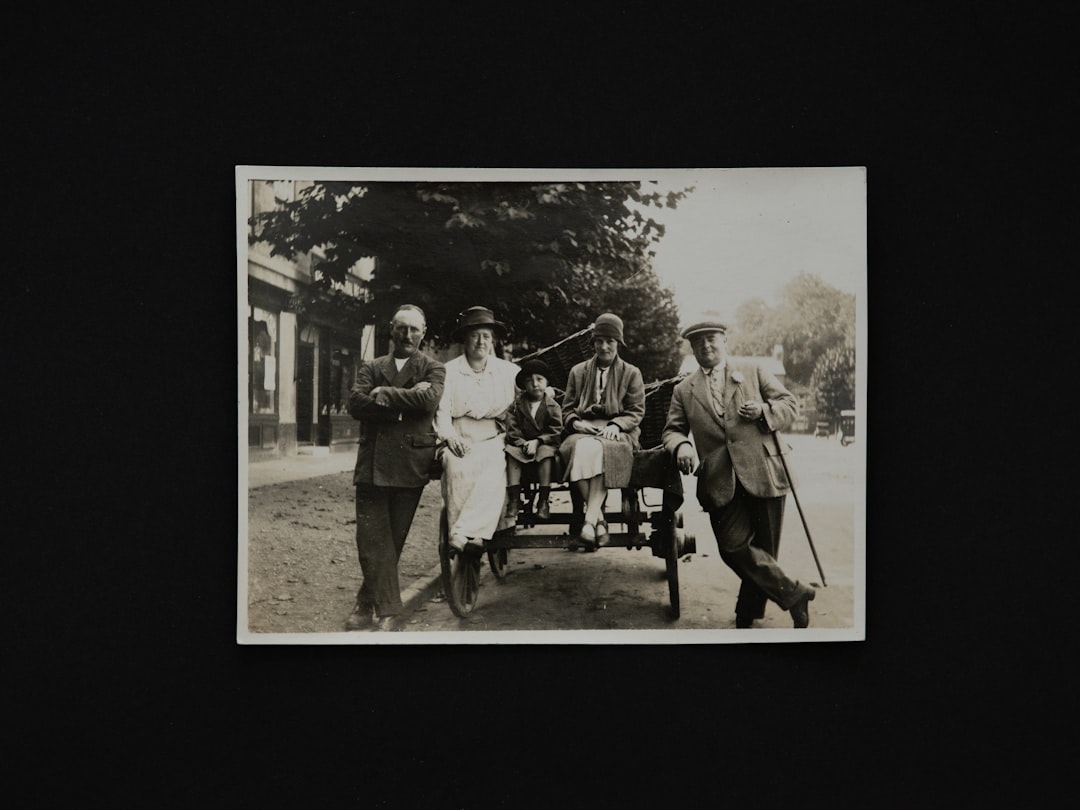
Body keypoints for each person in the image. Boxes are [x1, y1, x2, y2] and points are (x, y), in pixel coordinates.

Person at [661, 320, 816, 628]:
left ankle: (748, 613)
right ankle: (795, 593)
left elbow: (789, 404)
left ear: (725, 340)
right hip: (718, 478)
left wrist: (764, 412)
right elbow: (672, 430)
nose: (706, 346)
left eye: (712, 339)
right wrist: (681, 448)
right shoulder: (684, 389)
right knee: (732, 547)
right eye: (699, 342)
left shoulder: (753, 369)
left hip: (765, 470)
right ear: (692, 349)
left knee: (765, 550)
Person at [345, 304, 445, 631]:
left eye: (414, 329)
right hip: (372, 464)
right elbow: (355, 403)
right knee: (371, 539)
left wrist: (385, 394)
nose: (407, 335)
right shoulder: (371, 365)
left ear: (424, 332)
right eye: (401, 328)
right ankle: (388, 610)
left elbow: (428, 402)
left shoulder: (434, 368)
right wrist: (403, 406)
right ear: (391, 329)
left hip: (410, 464)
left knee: (392, 540)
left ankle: (365, 603)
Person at [435, 306, 521, 553]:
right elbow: (441, 412)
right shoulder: (448, 371)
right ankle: (463, 532)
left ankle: (468, 534)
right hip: (460, 436)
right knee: (454, 464)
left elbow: (530, 393)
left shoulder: (508, 372)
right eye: (474, 335)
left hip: (494, 437)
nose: (481, 341)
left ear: (493, 339)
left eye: (486, 335)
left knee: (495, 465)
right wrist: (449, 437)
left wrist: (544, 392)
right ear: (465, 339)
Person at [558, 313, 645, 547]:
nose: (604, 346)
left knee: (604, 450)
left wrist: (617, 425)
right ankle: (598, 519)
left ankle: (589, 521)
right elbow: (566, 409)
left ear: (618, 344)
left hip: (619, 431)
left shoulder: (631, 373)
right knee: (578, 448)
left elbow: (636, 411)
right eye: (599, 341)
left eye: (610, 341)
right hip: (582, 430)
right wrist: (576, 423)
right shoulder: (578, 372)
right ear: (593, 343)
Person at [504, 358, 564, 522]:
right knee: (510, 453)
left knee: (546, 455)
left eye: (539, 379)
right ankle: (514, 500)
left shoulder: (552, 406)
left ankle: (543, 501)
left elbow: (556, 430)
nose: (535, 384)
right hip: (522, 444)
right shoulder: (516, 405)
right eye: (529, 381)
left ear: (547, 382)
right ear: (524, 384)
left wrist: (538, 441)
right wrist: (522, 443)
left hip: (544, 444)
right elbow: (512, 427)